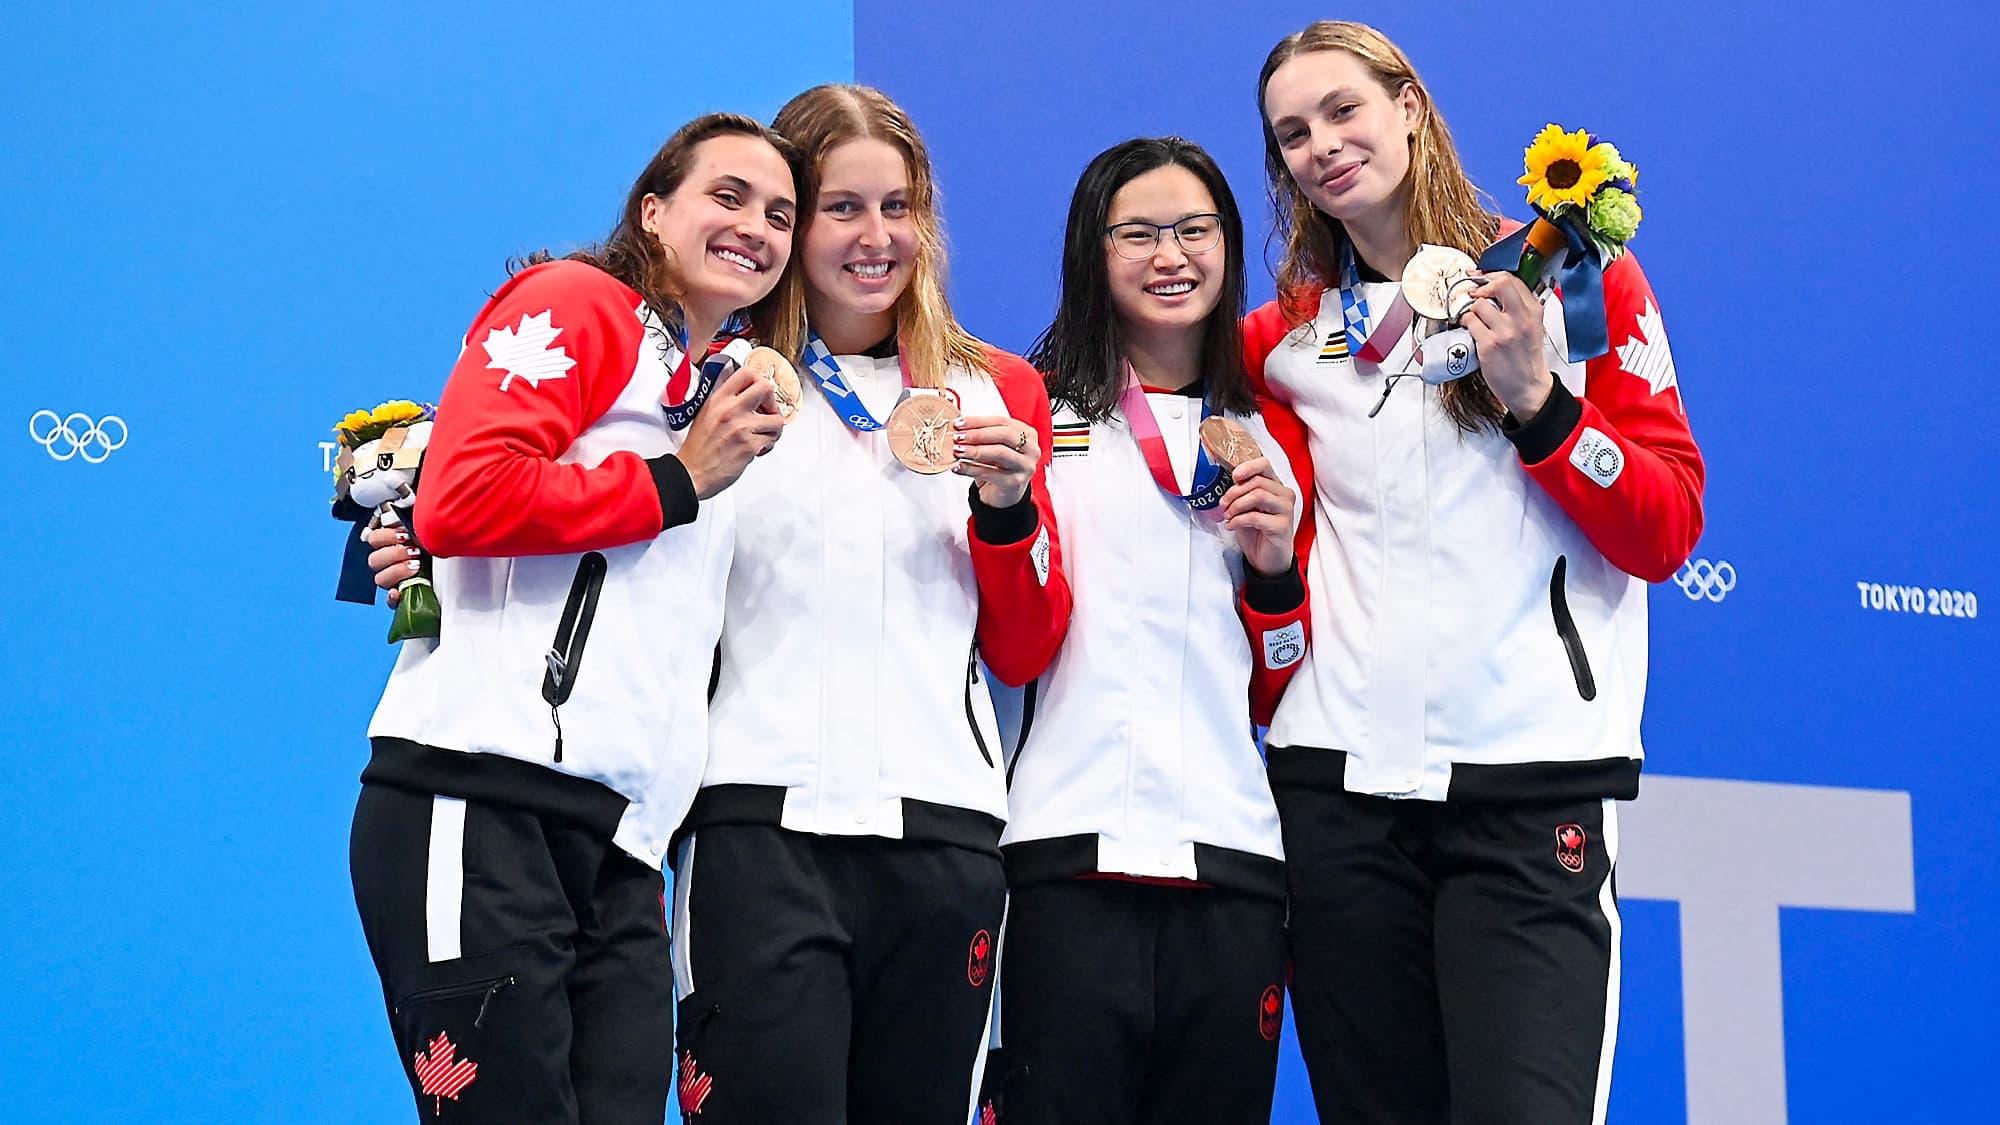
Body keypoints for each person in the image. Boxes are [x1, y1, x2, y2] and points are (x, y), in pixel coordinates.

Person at [1244, 20, 1706, 1124]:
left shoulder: (1573, 279)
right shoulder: (1278, 340)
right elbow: (1282, 579)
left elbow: (1665, 528)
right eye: (1291, 134)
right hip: (1336, 800)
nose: (1321, 146)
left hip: (1526, 791)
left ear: (1407, 103)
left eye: (1342, 110)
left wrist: (1539, 403)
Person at [348, 112, 804, 1124]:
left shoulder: (714, 394)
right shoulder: (582, 304)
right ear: (652, 210)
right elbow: (461, 500)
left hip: (623, 844)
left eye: (778, 213)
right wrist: (676, 482)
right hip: (479, 799)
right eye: (725, 196)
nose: (756, 228)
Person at [662, 85, 1071, 1125]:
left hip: (945, 837)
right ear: (792, 222)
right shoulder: (711, 377)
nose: (875, 237)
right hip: (759, 822)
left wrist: (1008, 510)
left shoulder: (998, 392)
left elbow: (1024, 646)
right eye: (841, 207)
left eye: (899, 207)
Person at [989, 136, 1312, 1125]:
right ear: (1091, 252)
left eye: (1193, 230)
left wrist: (1274, 570)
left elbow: (1280, 684)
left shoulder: (1274, 429)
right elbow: (1008, 639)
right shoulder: (1026, 413)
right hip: (1058, 853)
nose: (1169, 256)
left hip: (1230, 864)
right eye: (1136, 233)